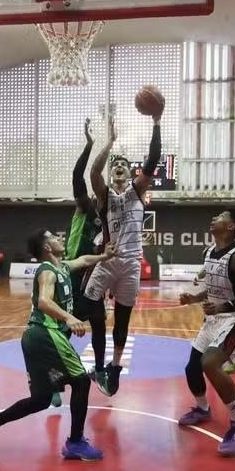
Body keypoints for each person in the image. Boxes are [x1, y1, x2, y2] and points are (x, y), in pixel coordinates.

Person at [0, 230, 116, 461]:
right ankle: (75, 442)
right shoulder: (47, 271)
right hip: (46, 333)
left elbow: (84, 260)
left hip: (34, 338)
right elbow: (44, 301)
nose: (61, 238)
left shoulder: (63, 267)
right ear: (47, 248)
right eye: (55, 238)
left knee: (41, 399)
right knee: (80, 382)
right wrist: (69, 318)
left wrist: (103, 257)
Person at [85, 113, 161, 396]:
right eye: (115, 164)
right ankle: (101, 365)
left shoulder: (138, 191)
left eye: (123, 165)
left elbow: (153, 160)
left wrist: (156, 122)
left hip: (130, 264)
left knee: (123, 319)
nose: (118, 166)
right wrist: (111, 142)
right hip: (107, 261)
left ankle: (114, 369)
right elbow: (93, 173)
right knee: (91, 306)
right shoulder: (104, 196)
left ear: (131, 173)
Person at [178, 209, 235, 455]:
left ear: (232, 227)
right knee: (192, 367)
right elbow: (215, 289)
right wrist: (194, 298)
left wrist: (223, 306)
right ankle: (203, 409)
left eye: (221, 216)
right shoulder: (209, 252)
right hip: (215, 318)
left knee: (210, 363)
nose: (213, 218)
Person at [63, 118, 104, 406]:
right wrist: (89, 145)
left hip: (95, 273)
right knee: (65, 325)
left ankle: (99, 369)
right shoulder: (85, 207)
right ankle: (53, 374)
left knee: (100, 322)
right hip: (74, 270)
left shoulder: (108, 213)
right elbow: (79, 176)